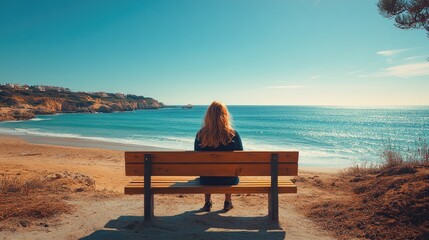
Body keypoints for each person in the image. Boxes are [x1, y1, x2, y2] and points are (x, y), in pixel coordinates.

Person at [194, 101, 243, 212]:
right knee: (229, 169)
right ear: (225, 115)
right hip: (229, 180)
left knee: (206, 169)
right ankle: (228, 202)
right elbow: (241, 157)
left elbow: (197, 159)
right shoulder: (233, 134)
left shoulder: (200, 134)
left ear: (208, 115)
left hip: (206, 180)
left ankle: (207, 202)